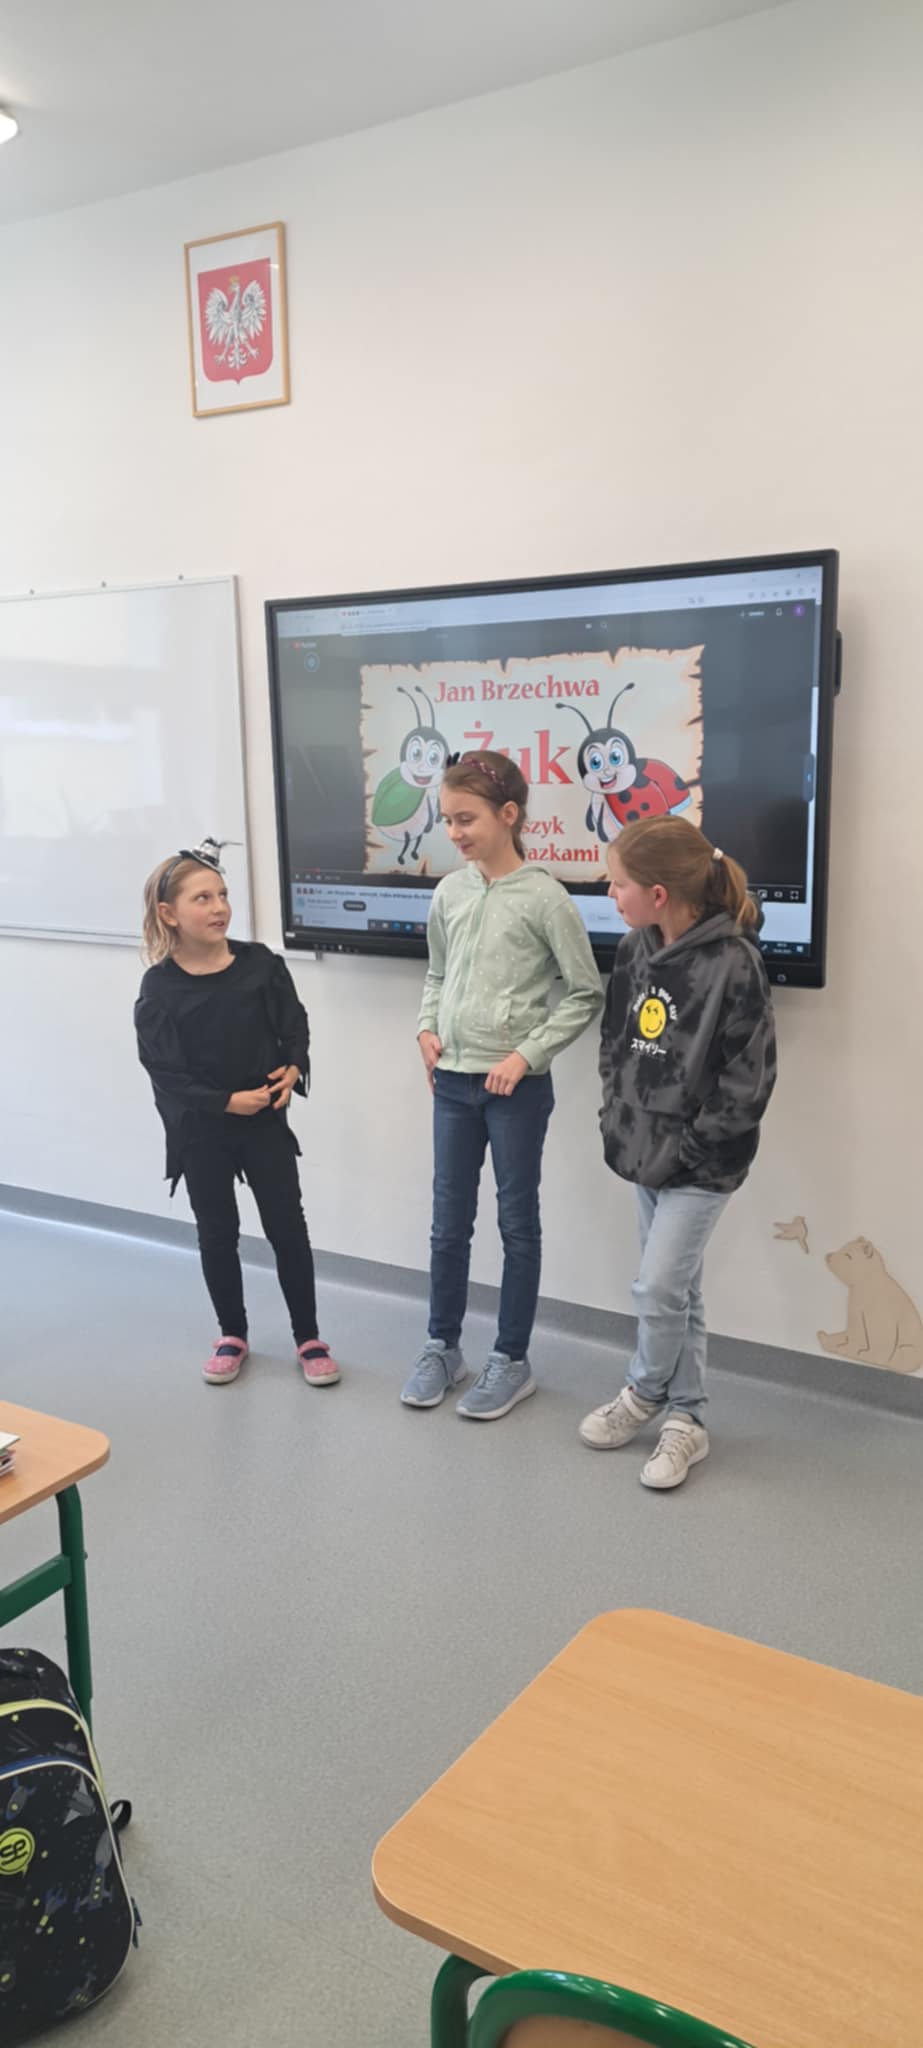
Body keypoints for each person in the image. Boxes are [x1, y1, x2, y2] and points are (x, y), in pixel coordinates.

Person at [404, 752, 603, 1420]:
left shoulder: (546, 899)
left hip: (516, 1091)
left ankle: (511, 1360)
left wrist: (527, 1055)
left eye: (466, 819)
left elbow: (585, 993)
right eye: (446, 819)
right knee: (447, 1225)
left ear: (508, 815)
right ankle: (442, 1348)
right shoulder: (449, 893)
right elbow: (436, 975)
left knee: (516, 1225)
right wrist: (426, 1028)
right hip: (452, 1086)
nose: (453, 832)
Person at [580, 816, 776, 1489]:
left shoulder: (735, 963)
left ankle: (643, 1391)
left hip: (704, 1163)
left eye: (619, 884)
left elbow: (748, 1082)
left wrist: (688, 1148)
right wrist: (616, 1115)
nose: (611, 895)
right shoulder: (633, 949)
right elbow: (615, 1039)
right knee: (679, 1290)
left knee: (657, 1286)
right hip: (643, 1147)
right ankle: (687, 1419)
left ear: (658, 893)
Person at [134, 840, 340, 1389]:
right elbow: (164, 1070)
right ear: (169, 914)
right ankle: (232, 1334)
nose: (220, 907)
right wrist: (225, 1102)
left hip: (264, 1124)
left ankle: (309, 1337)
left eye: (223, 894)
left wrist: (293, 1068)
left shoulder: (260, 965)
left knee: (287, 1227)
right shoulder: (159, 988)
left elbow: (295, 1025)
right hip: (202, 1131)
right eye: (203, 898)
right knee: (217, 1232)